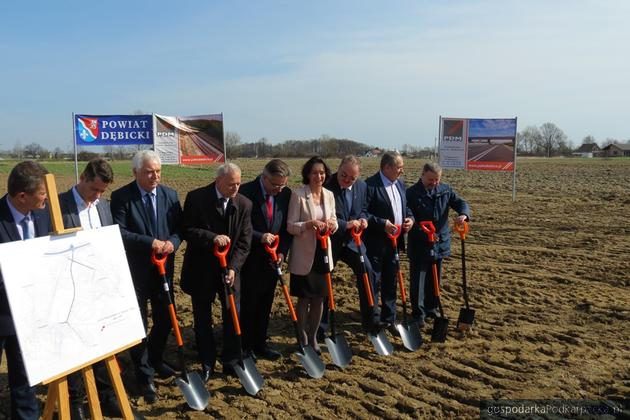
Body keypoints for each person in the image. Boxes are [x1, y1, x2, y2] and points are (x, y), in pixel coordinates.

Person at [110, 150, 183, 404]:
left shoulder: (170, 195)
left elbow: (178, 228)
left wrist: (172, 243)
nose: (155, 176)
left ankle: (155, 357)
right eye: (150, 172)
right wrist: (150, 242)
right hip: (136, 271)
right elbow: (119, 232)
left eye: (158, 171)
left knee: (165, 318)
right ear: (136, 172)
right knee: (138, 323)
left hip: (164, 269)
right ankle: (143, 375)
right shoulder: (121, 197)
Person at [58, 158, 121, 419]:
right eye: (94, 189)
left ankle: (106, 397)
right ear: (82, 178)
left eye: (102, 191)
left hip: (99, 288)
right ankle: (77, 402)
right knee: (73, 345)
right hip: (70, 289)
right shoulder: (58, 205)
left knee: (103, 341)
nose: (97, 196)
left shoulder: (103, 207)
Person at [180, 162, 252, 381]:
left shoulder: (245, 204)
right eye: (231, 184)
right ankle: (207, 362)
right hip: (201, 270)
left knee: (233, 316)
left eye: (239, 184)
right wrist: (212, 239)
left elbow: (244, 242)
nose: (236, 188)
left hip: (229, 272)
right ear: (218, 180)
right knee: (203, 319)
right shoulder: (196, 198)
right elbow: (187, 230)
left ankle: (231, 361)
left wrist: (233, 268)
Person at [0, 161, 51, 419]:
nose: (46, 197)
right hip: (2, 312)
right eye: (42, 192)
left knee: (25, 374)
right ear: (22, 196)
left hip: (31, 313)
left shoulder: (43, 213)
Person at [239, 159, 292, 361]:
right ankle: (246, 347)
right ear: (264, 178)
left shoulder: (286, 195)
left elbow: (286, 230)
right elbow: (240, 227)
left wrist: (282, 253)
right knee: (249, 303)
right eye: (275, 185)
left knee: (265, 304)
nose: (278, 189)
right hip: (250, 258)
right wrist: (259, 236)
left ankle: (261, 344)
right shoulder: (245, 192)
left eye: (282, 185)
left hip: (272, 259)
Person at [322, 155, 381, 334]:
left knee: (367, 272)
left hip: (352, 241)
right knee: (325, 280)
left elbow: (363, 209)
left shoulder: (362, 187)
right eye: (344, 175)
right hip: (330, 241)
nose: (347, 180)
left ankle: (371, 320)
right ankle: (322, 326)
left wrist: (363, 219)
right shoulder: (326, 186)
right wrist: (344, 224)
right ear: (338, 169)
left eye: (352, 178)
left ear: (358, 176)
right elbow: (323, 215)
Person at [406, 162, 470, 326]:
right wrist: (423, 232)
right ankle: (418, 314)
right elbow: (409, 217)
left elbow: (461, 203)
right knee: (419, 280)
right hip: (420, 243)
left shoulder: (445, 190)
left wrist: (463, 214)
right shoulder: (411, 193)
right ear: (422, 175)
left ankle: (431, 309)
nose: (434, 183)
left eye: (437, 180)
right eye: (431, 179)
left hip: (440, 242)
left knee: (435, 280)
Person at [286, 156, 337, 354]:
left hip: (323, 254)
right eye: (315, 172)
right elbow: (290, 226)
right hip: (304, 256)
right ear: (308, 174)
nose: (319, 176)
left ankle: (314, 336)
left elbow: (333, 219)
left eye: (322, 172)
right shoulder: (298, 195)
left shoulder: (329, 195)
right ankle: (302, 336)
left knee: (319, 299)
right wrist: (308, 224)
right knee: (305, 299)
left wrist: (332, 225)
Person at [364, 151, 414, 327]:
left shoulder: (400, 184)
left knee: (391, 282)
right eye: (399, 167)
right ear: (386, 167)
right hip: (376, 243)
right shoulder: (370, 185)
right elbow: (363, 214)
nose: (402, 171)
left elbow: (405, 208)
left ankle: (389, 319)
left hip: (395, 242)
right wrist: (382, 223)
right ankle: (375, 320)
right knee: (374, 281)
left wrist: (410, 219)